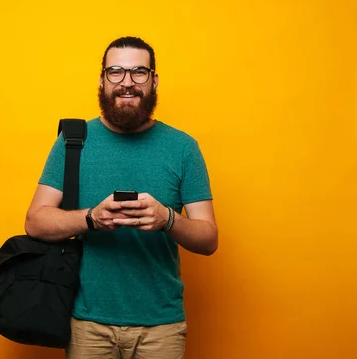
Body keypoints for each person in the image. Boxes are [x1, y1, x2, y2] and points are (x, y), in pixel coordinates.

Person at [25, 36, 218, 359]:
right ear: (102, 79)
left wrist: (167, 219)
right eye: (116, 72)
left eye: (138, 72)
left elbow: (208, 238)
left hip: (161, 327)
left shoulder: (184, 148)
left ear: (154, 80)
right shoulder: (73, 141)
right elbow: (35, 221)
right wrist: (91, 218)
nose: (127, 83)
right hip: (87, 324)